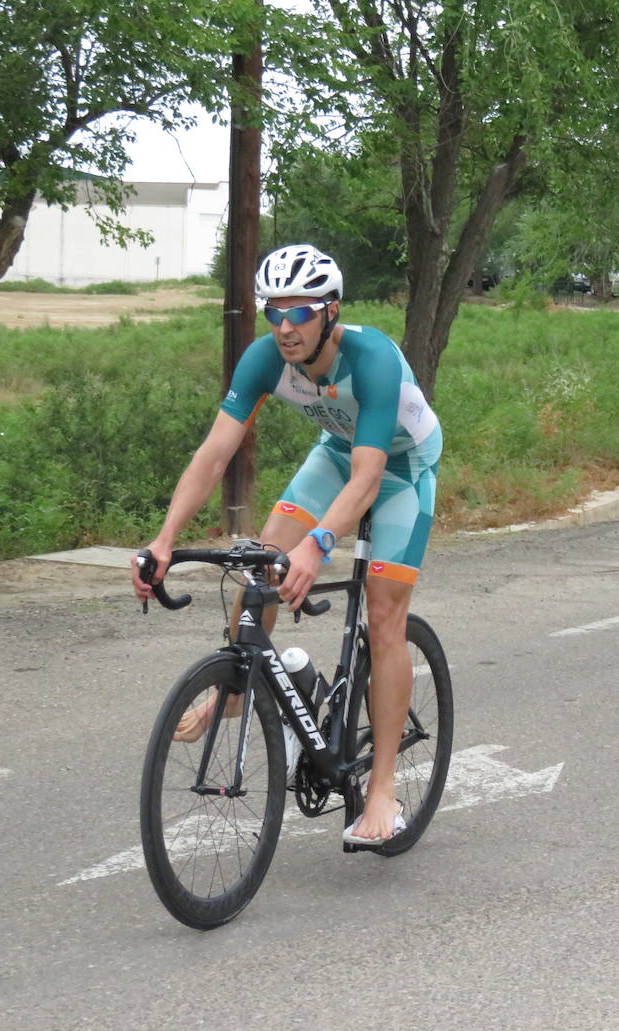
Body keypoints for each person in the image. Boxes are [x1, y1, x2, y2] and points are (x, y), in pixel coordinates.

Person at [131, 244, 443, 845]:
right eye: (273, 311)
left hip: (402, 469)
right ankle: (241, 684)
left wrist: (319, 544)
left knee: (383, 617)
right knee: (263, 557)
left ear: (330, 311)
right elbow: (214, 453)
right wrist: (164, 539)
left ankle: (381, 790)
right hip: (334, 455)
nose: (283, 326)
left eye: (298, 312)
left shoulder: (372, 357)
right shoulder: (263, 358)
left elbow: (369, 480)